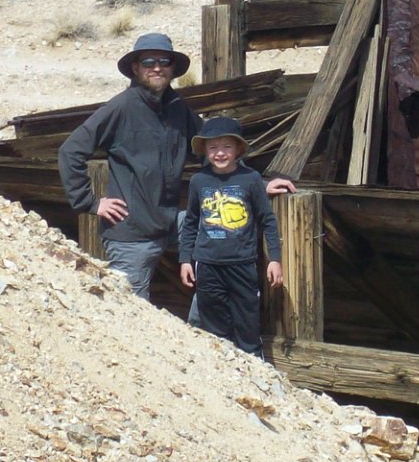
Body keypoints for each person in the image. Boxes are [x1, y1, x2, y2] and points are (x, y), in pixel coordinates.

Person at [58, 32, 294, 301]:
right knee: (132, 307)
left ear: (172, 68)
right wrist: (90, 203)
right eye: (148, 62)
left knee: (222, 240)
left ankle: (205, 322)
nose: (157, 67)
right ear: (135, 68)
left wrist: (258, 185)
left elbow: (213, 151)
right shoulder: (121, 107)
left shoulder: (176, 107)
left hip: (171, 223)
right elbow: (70, 151)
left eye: (164, 61)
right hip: (131, 233)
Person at [179, 116, 283, 356]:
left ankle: (254, 368)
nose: (220, 153)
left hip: (242, 264)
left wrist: (275, 259)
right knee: (215, 331)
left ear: (238, 149)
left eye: (226, 146)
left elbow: (267, 220)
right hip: (207, 265)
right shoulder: (199, 180)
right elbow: (191, 221)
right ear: (205, 150)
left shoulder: (251, 179)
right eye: (213, 147)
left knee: (248, 326)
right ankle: (222, 372)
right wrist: (185, 260)